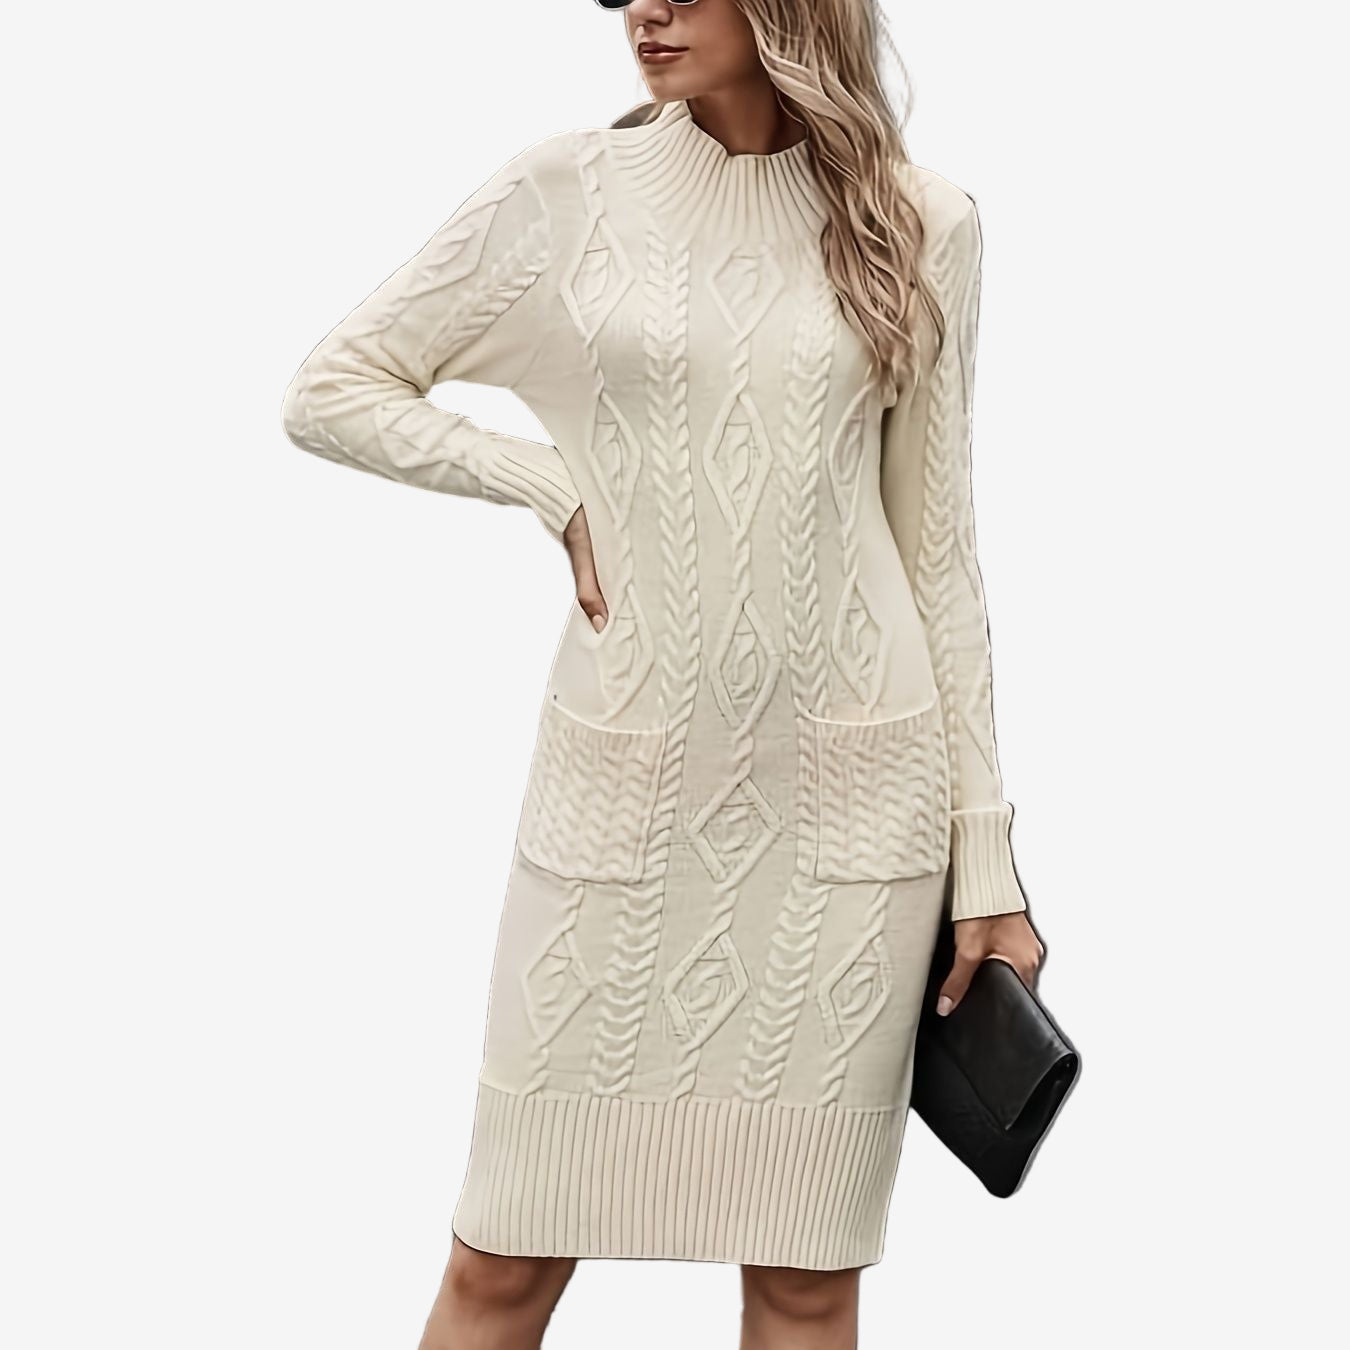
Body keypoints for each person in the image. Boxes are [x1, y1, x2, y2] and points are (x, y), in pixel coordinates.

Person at [280, 1, 1046, 1345]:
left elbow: (938, 558)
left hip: (849, 826)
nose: (645, 5)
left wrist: (986, 861)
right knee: (501, 1264)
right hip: (620, 806)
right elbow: (334, 386)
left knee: (803, 1280)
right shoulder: (563, 193)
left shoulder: (920, 221)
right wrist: (543, 481)